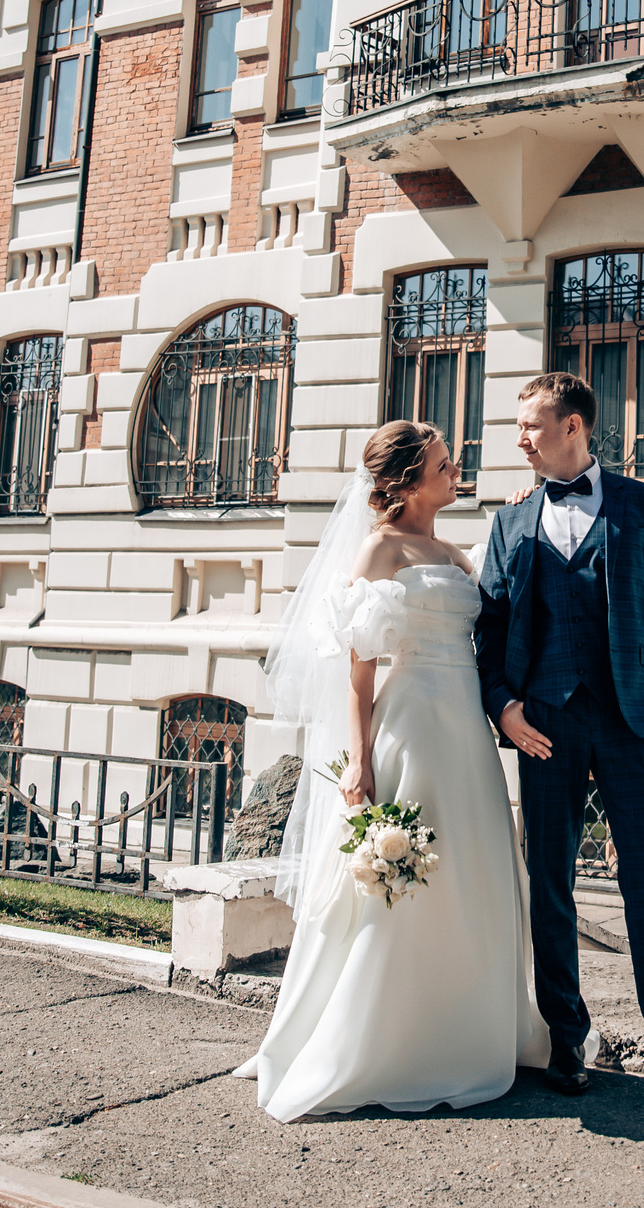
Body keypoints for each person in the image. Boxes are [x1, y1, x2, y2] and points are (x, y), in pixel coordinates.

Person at [237, 421, 547, 1120]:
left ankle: (468, 1026)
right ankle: (386, 1038)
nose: (455, 471)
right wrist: (359, 760)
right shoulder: (380, 548)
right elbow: (359, 673)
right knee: (403, 886)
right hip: (411, 726)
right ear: (407, 482)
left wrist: (520, 512)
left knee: (472, 873)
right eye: (443, 464)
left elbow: (496, 585)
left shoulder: (453, 551)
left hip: (465, 733)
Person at [475, 372, 644, 1119]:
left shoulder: (642, 505)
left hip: (634, 725)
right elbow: (489, 632)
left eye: (530, 425)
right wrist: (503, 709)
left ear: (573, 426)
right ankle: (567, 1040)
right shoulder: (510, 521)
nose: (520, 439)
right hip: (545, 728)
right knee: (551, 884)